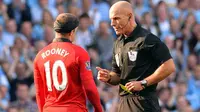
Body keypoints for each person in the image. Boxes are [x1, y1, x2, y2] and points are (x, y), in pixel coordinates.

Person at [96, 1, 176, 112]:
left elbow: (169, 66)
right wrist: (109, 77)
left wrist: (143, 83)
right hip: (124, 103)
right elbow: (118, 75)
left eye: (116, 18)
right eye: (111, 19)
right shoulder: (118, 43)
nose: (112, 24)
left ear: (129, 16)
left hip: (144, 103)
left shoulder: (147, 39)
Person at [34, 13, 102, 112]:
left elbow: (39, 93)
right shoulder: (79, 53)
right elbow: (90, 88)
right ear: (72, 32)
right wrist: (98, 108)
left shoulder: (39, 56)